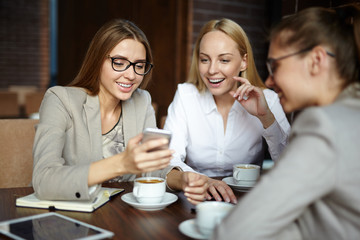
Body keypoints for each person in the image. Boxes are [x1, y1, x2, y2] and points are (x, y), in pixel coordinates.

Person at [212, 3, 360, 240]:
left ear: (316, 60)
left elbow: (232, 232)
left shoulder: (323, 124)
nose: (269, 80)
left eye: (275, 66)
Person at [32, 19, 208, 205]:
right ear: (97, 59)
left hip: (124, 214)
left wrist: (184, 180)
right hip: (72, 217)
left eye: (139, 65)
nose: (131, 75)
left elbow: (154, 170)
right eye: (119, 62)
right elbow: (44, 179)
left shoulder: (142, 100)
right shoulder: (60, 99)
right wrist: (121, 163)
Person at [164, 18, 290, 203]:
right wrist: (202, 181)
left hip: (249, 201)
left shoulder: (268, 100)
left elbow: (291, 165)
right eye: (204, 59)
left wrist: (266, 117)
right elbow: (170, 160)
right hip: (197, 198)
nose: (212, 70)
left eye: (224, 60)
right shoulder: (185, 95)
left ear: (243, 62)